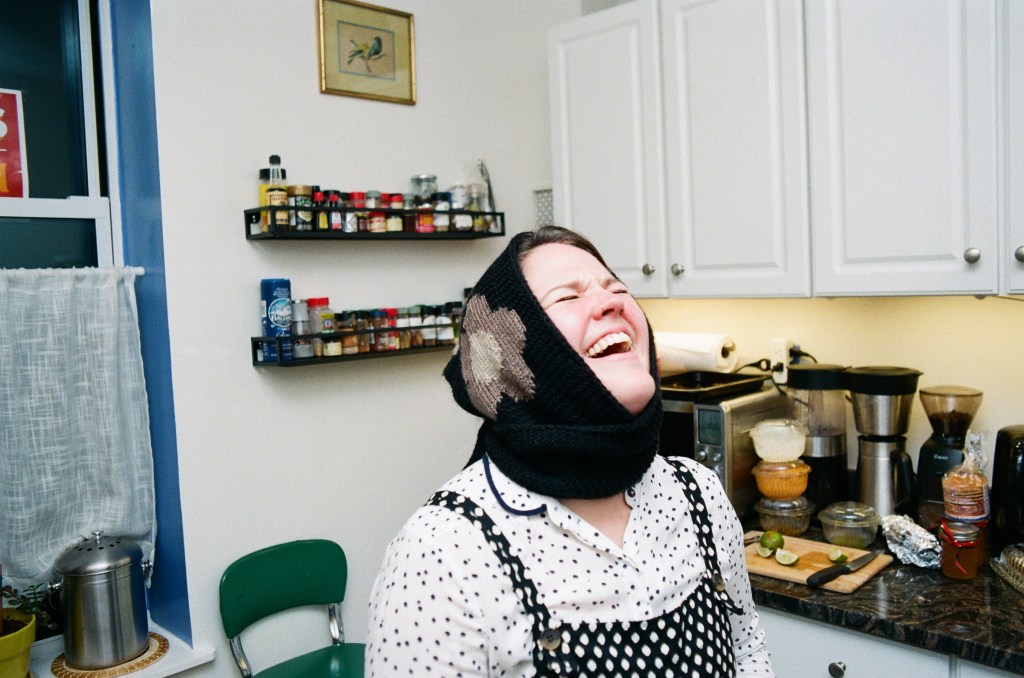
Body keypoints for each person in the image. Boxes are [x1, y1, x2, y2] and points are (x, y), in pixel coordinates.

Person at [366, 226, 774, 677]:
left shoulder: (700, 495)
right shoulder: (444, 549)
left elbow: (748, 653)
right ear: (515, 355)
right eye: (567, 297)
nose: (613, 301)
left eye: (617, 288)